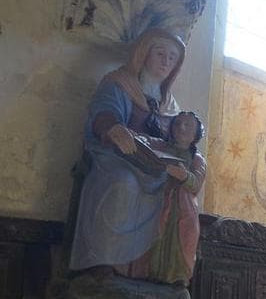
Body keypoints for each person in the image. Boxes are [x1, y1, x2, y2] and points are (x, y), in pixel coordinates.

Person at [70, 28, 189, 282]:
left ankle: (153, 270)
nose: (166, 62)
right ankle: (103, 261)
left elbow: (178, 142)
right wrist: (114, 127)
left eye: (172, 58)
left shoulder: (170, 104)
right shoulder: (120, 83)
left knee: (178, 194)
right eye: (160, 53)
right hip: (116, 158)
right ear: (144, 53)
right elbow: (104, 111)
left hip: (153, 167)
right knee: (123, 183)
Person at [128, 111, 207, 285]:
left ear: (195, 134)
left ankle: (177, 276)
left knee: (184, 236)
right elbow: (144, 142)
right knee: (154, 232)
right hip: (158, 199)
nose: (181, 128)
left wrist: (183, 175)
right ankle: (148, 272)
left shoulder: (197, 158)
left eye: (187, 125)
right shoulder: (161, 146)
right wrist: (133, 136)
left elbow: (195, 184)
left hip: (183, 207)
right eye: (177, 123)